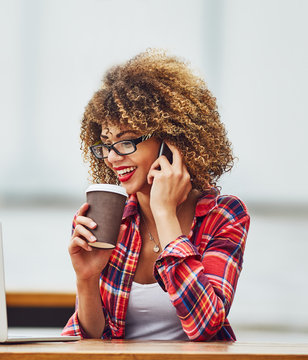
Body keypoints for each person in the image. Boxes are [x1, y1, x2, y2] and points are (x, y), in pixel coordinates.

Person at [61, 49, 250, 341]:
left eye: (126, 142)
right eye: (106, 144)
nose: (112, 158)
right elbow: (93, 340)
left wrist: (164, 214)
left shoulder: (224, 216)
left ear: (170, 139)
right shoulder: (109, 221)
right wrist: (86, 278)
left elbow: (206, 326)